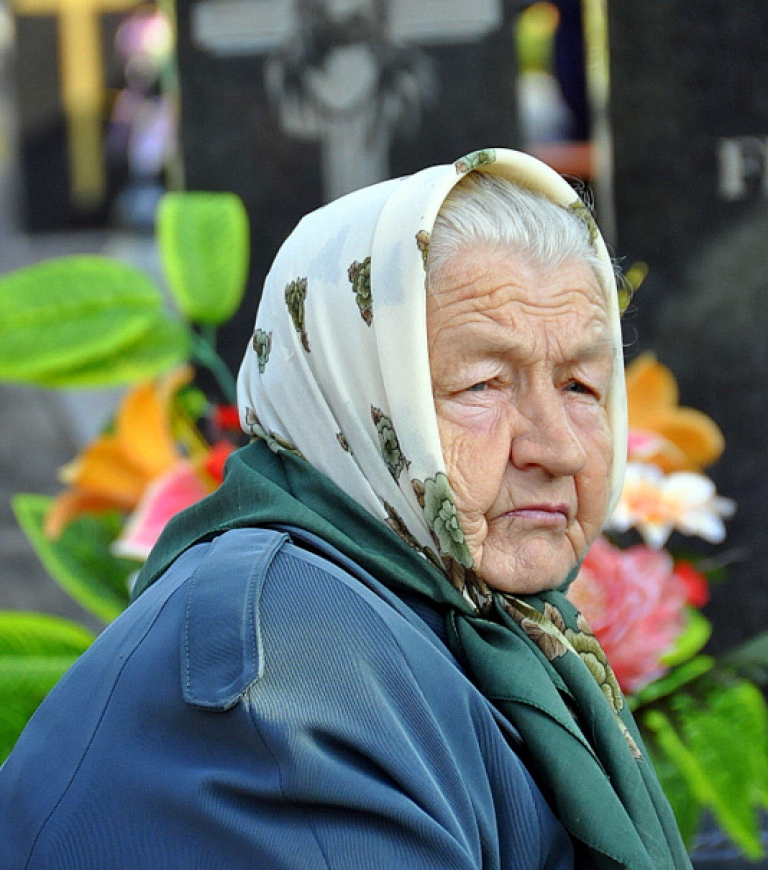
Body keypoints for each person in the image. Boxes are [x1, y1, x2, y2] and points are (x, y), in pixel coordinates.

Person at [0, 148, 692, 869]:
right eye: (484, 383)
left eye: (581, 385)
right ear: (347, 395)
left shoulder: (464, 609)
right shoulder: (282, 673)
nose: (560, 448)